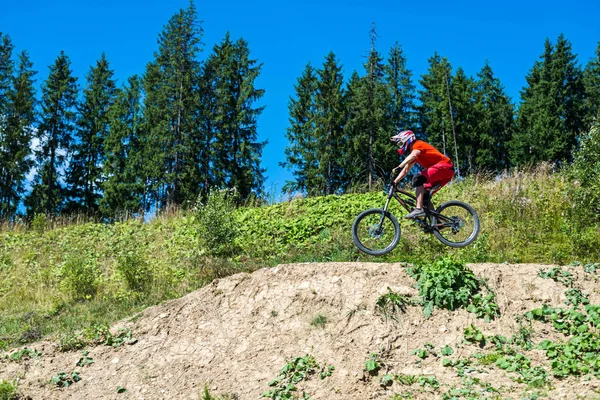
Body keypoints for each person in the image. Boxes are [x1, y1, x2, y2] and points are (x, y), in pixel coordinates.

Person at [390, 130, 455, 219]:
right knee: (424, 196)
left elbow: (413, 155)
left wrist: (399, 166)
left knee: (418, 178)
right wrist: (395, 182)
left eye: (400, 142)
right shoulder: (414, 153)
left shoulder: (417, 144)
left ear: (406, 139)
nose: (400, 145)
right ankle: (437, 224)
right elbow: (406, 170)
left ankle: (418, 209)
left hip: (444, 167)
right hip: (443, 173)